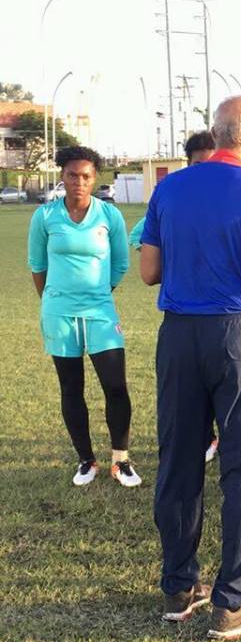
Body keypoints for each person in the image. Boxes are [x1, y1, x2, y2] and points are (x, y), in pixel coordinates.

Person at [140, 96, 241, 640]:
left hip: (178, 333)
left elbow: (148, 270)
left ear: (215, 132)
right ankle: (232, 602)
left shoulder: (171, 186)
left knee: (178, 459)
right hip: (237, 334)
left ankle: (179, 587)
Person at [28, 146, 138, 488]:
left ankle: (121, 460)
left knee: (115, 386)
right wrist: (53, 299)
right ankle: (85, 460)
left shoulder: (109, 216)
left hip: (100, 312)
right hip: (59, 314)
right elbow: (37, 266)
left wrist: (98, 293)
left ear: (95, 179)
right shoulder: (45, 217)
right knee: (70, 387)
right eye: (73, 175)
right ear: (62, 176)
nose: (79, 181)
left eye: (86, 176)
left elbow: (120, 263)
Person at [129, 130, 220, 465]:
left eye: (213, 164)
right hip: (186, 314)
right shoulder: (173, 194)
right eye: (199, 164)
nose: (206, 173)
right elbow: (140, 238)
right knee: (192, 396)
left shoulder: (230, 198)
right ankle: (208, 439)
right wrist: (170, 262)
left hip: (226, 314)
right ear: (188, 163)